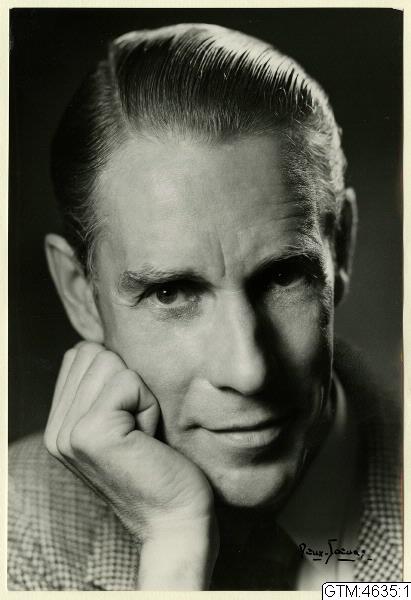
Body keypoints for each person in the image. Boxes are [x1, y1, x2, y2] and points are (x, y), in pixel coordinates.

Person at [8, 23, 402, 590]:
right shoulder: (15, 534)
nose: (248, 371)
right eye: (171, 292)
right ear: (79, 291)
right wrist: (174, 544)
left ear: (340, 249)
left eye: (282, 276)